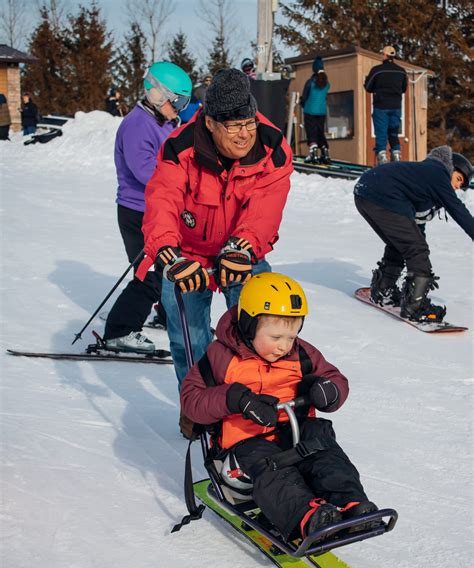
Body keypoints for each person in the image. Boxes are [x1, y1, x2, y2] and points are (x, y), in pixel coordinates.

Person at [180, 272, 379, 540]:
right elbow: (191, 400)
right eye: (275, 338)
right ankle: (307, 517)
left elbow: (335, 379)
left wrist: (327, 391)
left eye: (292, 336)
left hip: (293, 435)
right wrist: (235, 398)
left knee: (323, 447)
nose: (284, 346)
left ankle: (351, 503)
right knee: (272, 468)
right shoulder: (221, 357)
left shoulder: (302, 352)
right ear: (250, 325)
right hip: (244, 449)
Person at [136, 67, 293, 389]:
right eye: (234, 126)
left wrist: (242, 247)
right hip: (188, 256)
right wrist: (168, 253)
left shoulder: (272, 147)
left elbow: (265, 209)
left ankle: (258, 399)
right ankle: (199, 406)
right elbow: (163, 201)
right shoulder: (180, 148)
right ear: (210, 123)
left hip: (242, 253)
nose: (245, 134)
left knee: (262, 330)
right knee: (190, 341)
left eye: (249, 123)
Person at [103, 62, 192, 353]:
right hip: (137, 212)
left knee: (173, 265)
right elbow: (146, 171)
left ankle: (170, 317)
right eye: (176, 100)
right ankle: (120, 331)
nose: (179, 108)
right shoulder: (137, 125)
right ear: (157, 95)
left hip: (160, 210)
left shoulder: (164, 123)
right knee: (150, 274)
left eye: (183, 102)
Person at [354, 145, 473, 322]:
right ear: (451, 167)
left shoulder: (424, 177)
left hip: (365, 193)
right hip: (381, 195)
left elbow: (415, 225)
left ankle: (384, 288)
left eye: (461, 185)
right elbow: (458, 210)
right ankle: (415, 306)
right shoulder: (438, 172)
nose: (456, 186)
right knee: (417, 249)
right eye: (458, 179)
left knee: (404, 243)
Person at [364, 46, 407, 164]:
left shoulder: (377, 70)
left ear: (384, 55)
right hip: (396, 106)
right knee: (393, 131)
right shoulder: (401, 71)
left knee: (381, 131)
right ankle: (396, 153)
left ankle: (382, 156)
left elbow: (368, 87)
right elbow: (404, 88)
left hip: (381, 105)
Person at [301, 56, 331, 165]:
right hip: (321, 112)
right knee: (320, 132)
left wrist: (302, 104)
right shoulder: (326, 83)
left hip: (310, 110)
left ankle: (313, 151)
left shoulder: (310, 82)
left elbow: (304, 96)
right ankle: (324, 151)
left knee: (311, 132)